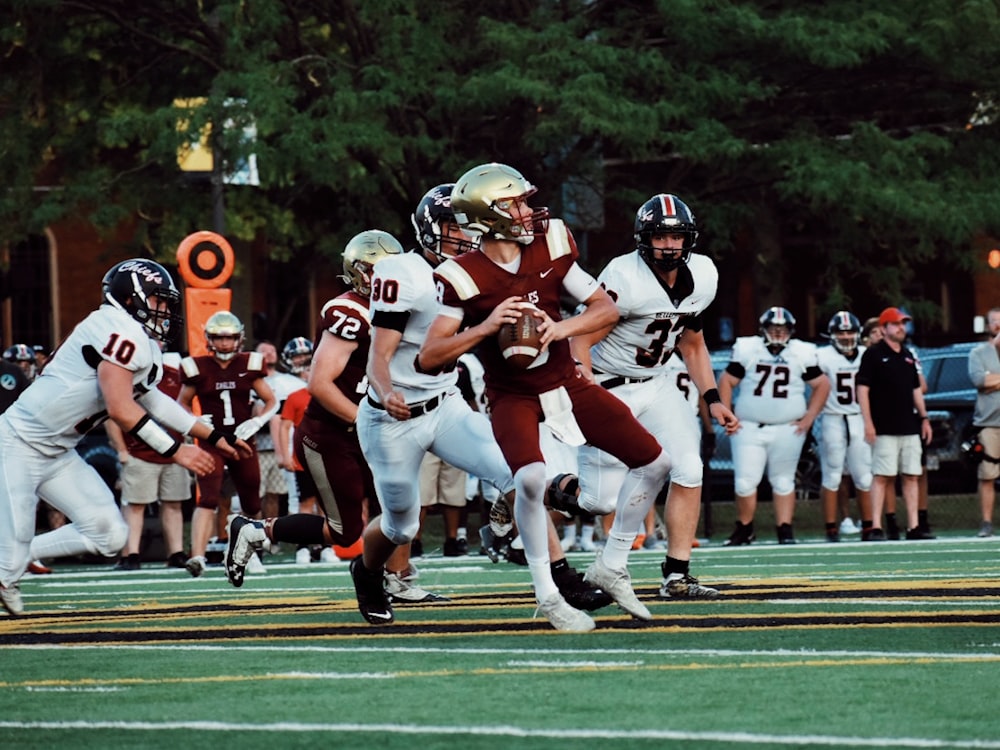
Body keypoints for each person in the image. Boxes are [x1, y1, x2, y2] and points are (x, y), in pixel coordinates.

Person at [420, 163, 672, 627]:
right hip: (512, 394)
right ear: (489, 214)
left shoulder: (551, 242)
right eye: (515, 202)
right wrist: (486, 326)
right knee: (532, 480)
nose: (528, 210)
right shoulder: (461, 275)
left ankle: (612, 566)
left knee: (656, 462)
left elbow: (604, 308)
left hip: (565, 383)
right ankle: (549, 595)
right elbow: (430, 355)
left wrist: (560, 328)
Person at [352, 185, 609, 629]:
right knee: (401, 527)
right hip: (391, 416)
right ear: (430, 230)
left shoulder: (481, 268)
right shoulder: (402, 273)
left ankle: (560, 575)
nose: (465, 236)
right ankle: (368, 572)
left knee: (518, 474)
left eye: (468, 226)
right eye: (453, 228)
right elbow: (379, 355)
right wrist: (385, 389)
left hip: (446, 404)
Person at [0, 259, 246, 616]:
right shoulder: (114, 327)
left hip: (57, 452)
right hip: (17, 444)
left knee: (110, 536)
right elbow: (120, 407)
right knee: (9, 556)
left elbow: (154, 400)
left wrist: (213, 434)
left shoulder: (140, 342)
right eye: (158, 301)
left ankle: (16, 557)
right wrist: (178, 451)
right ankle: (10, 564)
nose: (164, 311)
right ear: (131, 298)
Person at [569, 193, 739, 599]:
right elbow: (580, 338)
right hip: (609, 383)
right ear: (643, 239)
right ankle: (529, 492)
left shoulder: (704, 274)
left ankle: (676, 575)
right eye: (659, 237)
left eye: (676, 236)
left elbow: (692, 343)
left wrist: (712, 397)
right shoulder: (624, 276)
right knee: (598, 501)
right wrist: (588, 390)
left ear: (689, 238)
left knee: (689, 470)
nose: (669, 245)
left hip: (658, 382)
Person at [224, 230, 408, 593]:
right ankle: (254, 530)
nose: (386, 280)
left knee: (400, 504)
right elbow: (319, 385)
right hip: (331, 436)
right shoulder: (349, 312)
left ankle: (399, 579)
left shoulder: (398, 308)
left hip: (374, 429)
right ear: (358, 272)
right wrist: (366, 420)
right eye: (377, 271)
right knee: (345, 531)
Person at [718, 306, 830, 545]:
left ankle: (785, 530)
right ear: (763, 329)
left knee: (783, 480)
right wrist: (728, 415)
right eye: (773, 328)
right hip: (748, 426)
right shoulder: (749, 350)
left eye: (783, 329)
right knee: (745, 481)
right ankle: (745, 528)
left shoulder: (802, 352)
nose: (778, 333)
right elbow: (726, 381)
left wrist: (809, 418)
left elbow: (822, 384)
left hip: (787, 428)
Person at [178, 311, 277, 577]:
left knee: (251, 499)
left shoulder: (250, 364)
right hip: (212, 441)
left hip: (243, 441)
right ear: (209, 339)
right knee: (207, 497)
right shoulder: (196, 367)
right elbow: (180, 404)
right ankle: (197, 556)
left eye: (229, 338)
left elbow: (272, 401)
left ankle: (251, 553)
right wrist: (196, 420)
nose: (224, 344)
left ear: (239, 339)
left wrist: (256, 423)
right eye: (219, 338)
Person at [104, 349, 192, 569]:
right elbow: (111, 415)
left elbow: (184, 409)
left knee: (174, 503)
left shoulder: (175, 375)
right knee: (135, 505)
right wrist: (122, 449)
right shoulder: (127, 375)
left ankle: (176, 552)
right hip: (139, 451)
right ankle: (130, 554)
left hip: (173, 452)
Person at [857, 306, 934, 540]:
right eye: (896, 324)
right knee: (882, 476)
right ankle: (876, 526)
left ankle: (913, 526)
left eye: (903, 324)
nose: (901, 328)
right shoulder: (873, 354)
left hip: (908, 425)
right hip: (884, 426)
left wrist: (924, 417)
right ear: (884, 328)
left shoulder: (907, 354)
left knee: (911, 475)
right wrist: (868, 423)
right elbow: (862, 389)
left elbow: (915, 389)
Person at [816, 311, 873, 542]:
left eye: (850, 331)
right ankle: (831, 527)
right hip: (832, 418)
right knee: (832, 474)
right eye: (841, 331)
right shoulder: (821, 356)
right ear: (832, 334)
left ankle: (869, 526)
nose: (846, 336)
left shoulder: (867, 354)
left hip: (859, 417)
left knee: (864, 475)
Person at [253, 339, 307, 525]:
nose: (268, 354)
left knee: (286, 492)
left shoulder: (291, 382)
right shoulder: (253, 380)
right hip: (260, 444)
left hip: (292, 440)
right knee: (257, 494)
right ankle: (261, 534)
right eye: (263, 351)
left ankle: (278, 535)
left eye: (271, 350)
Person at [968, 306, 1000, 537]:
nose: (998, 325)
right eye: (994, 321)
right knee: (987, 473)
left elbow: (991, 381)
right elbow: (980, 380)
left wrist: (994, 380)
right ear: (988, 325)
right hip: (989, 422)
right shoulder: (978, 353)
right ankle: (986, 522)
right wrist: (990, 381)